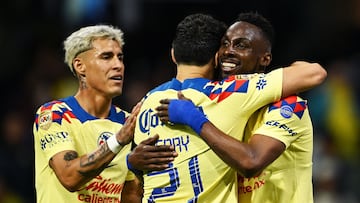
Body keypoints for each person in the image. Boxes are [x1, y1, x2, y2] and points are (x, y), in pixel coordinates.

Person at [131, 13, 326, 202]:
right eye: (224, 44)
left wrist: (194, 118)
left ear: (265, 59)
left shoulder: (289, 106)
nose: (229, 51)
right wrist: (133, 162)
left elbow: (251, 162)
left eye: (241, 45)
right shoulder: (219, 101)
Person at [33, 24, 142, 203]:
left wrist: (139, 170)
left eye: (120, 58)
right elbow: (69, 176)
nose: (118, 65)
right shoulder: (55, 114)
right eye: (106, 57)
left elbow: (129, 196)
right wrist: (119, 140)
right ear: (80, 66)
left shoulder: (128, 122)